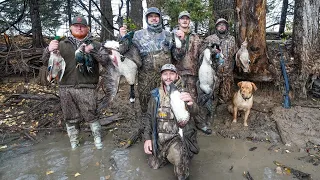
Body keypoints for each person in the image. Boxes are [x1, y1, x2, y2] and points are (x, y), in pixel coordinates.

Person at [42, 16, 105, 150]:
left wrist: (92, 51)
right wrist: (48, 50)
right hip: (66, 87)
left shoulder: (96, 44)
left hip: (87, 86)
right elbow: (44, 61)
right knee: (70, 117)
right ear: (71, 28)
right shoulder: (60, 44)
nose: (79, 27)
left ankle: (98, 142)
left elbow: (105, 61)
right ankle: (74, 143)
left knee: (91, 114)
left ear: (87, 28)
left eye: (82, 26)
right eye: (76, 25)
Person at [119, 7, 186, 116]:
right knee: (145, 106)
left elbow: (178, 56)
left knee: (165, 105)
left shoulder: (168, 35)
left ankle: (162, 129)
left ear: (160, 18)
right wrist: (123, 37)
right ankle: (146, 128)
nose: (154, 18)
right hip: (145, 78)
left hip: (165, 78)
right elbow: (122, 50)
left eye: (156, 16)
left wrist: (181, 41)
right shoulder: (137, 35)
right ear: (147, 19)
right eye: (151, 16)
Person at [143, 64, 199, 180]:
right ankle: (167, 156)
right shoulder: (155, 95)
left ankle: (181, 158)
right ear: (161, 76)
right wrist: (147, 138)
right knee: (153, 165)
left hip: (176, 139)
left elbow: (195, 113)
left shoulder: (184, 93)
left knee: (181, 170)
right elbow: (149, 117)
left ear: (177, 76)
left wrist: (191, 103)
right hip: (159, 140)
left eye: (171, 74)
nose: (168, 77)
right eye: (165, 74)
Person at [172, 11, 212, 134]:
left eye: (187, 19)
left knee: (194, 100)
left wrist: (210, 51)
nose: (185, 21)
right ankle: (176, 124)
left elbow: (201, 54)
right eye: (182, 18)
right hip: (178, 74)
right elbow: (173, 54)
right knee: (177, 99)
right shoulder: (173, 35)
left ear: (189, 21)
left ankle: (199, 123)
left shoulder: (196, 37)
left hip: (193, 74)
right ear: (178, 21)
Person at [199, 18, 238, 105]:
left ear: (227, 27)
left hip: (227, 75)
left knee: (226, 98)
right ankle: (211, 114)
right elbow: (201, 53)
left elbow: (236, 54)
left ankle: (222, 116)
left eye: (223, 25)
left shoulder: (232, 39)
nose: (221, 27)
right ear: (216, 27)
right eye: (219, 25)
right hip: (213, 74)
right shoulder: (209, 39)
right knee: (211, 95)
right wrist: (211, 52)